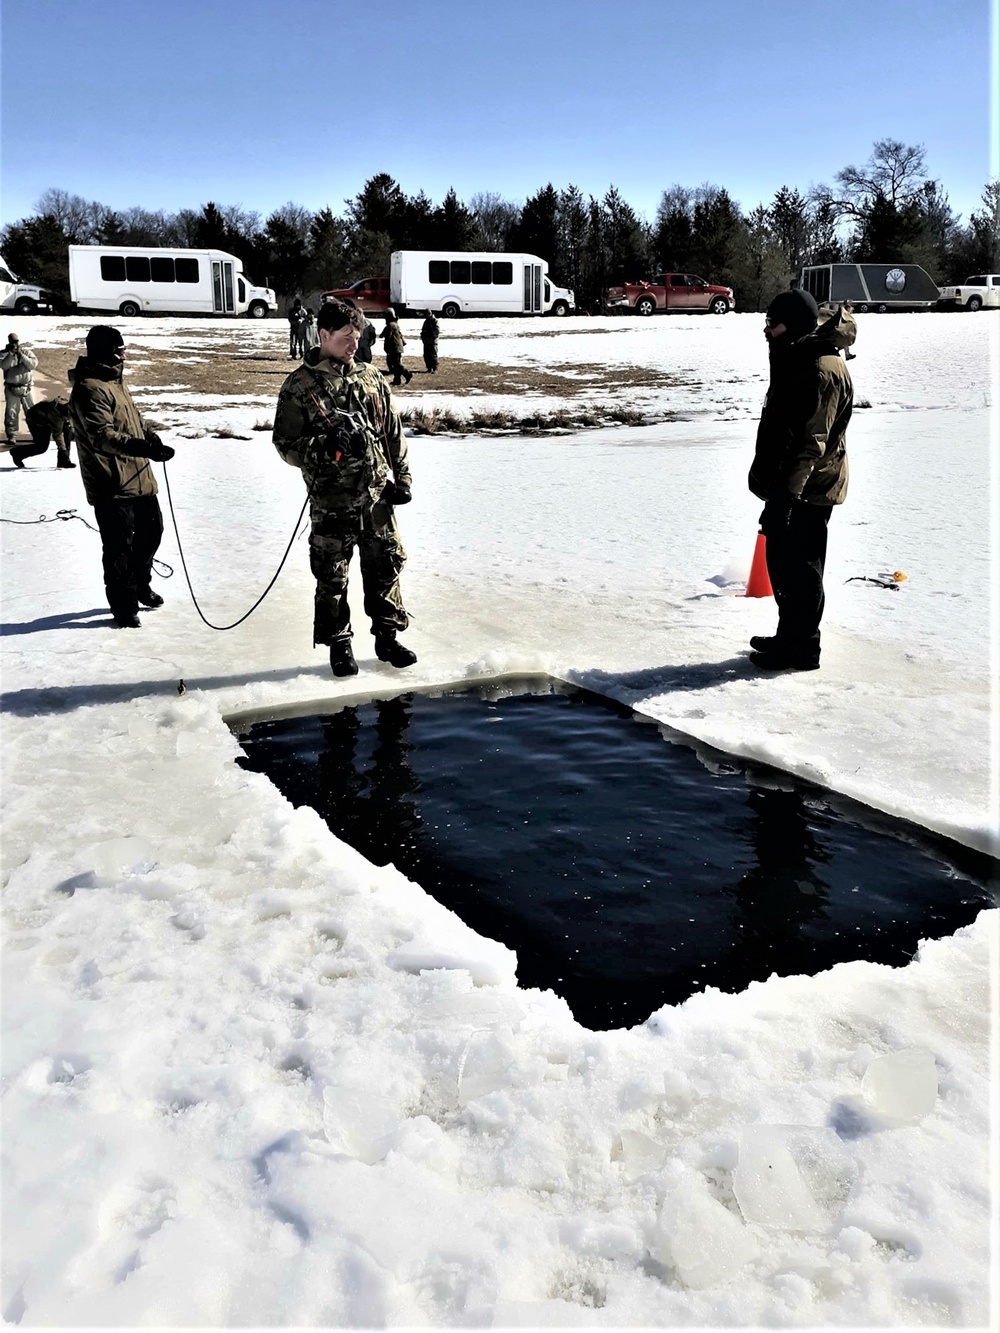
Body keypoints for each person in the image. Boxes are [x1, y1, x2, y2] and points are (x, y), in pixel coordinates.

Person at [272, 298, 416, 677]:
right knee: (332, 575)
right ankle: (339, 644)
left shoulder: (371, 378)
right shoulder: (299, 386)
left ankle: (388, 637)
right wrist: (325, 446)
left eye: (359, 337)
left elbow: (393, 433)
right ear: (323, 335)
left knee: (386, 565)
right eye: (347, 338)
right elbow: (285, 445)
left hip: (377, 497)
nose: (355, 345)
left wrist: (401, 478)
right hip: (332, 500)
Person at [747, 289, 856, 672]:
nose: (766, 332)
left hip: (811, 487)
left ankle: (804, 648)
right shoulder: (795, 354)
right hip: (793, 485)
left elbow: (812, 443)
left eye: (771, 324)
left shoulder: (820, 369)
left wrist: (784, 500)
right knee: (782, 562)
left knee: (802, 567)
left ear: (790, 326)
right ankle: (788, 635)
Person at [69, 325, 175, 628]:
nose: (123, 355)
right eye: (118, 351)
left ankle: (141, 584)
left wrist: (150, 438)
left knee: (152, 532)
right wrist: (143, 448)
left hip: (139, 477)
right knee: (119, 548)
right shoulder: (89, 388)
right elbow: (102, 436)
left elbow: (133, 421)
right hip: (111, 483)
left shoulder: (116, 382)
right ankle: (124, 605)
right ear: (103, 352)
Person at [9, 397, 76, 469]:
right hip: (36, 422)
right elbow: (58, 435)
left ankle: (63, 461)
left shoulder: (67, 406)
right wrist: (63, 450)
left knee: (67, 431)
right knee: (41, 447)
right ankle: (17, 453)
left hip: (46, 418)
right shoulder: (56, 417)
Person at [2, 332, 38, 444]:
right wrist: (11, 355)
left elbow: (33, 364)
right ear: (9, 342)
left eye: (16, 342)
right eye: (13, 342)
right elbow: (3, 365)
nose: (15, 344)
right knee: (11, 412)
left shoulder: (26, 352)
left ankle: (37, 434)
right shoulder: (4, 354)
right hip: (11, 388)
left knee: (32, 412)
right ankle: (12, 436)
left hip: (27, 387)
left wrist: (22, 356)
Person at [381, 308, 412, 385]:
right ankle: (397, 380)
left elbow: (386, 335)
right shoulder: (394, 324)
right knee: (395, 364)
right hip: (396, 347)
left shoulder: (391, 325)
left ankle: (407, 374)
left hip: (394, 348)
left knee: (396, 364)